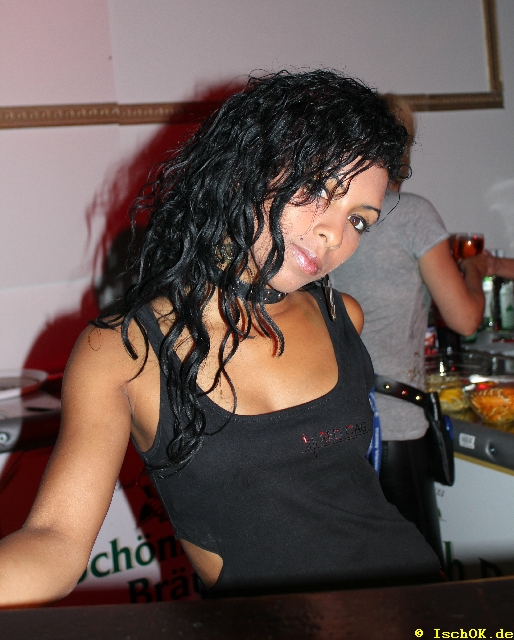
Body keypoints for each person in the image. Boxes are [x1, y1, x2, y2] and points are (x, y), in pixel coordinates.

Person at [0, 71, 442, 607]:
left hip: (419, 604)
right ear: (244, 171)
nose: (335, 233)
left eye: (360, 221)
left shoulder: (341, 316)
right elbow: (55, 541)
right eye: (316, 191)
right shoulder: (124, 351)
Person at [330, 93, 489, 565]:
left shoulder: (327, 218)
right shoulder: (412, 213)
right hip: (395, 424)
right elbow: (465, 319)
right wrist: (476, 271)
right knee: (419, 583)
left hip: (336, 424)